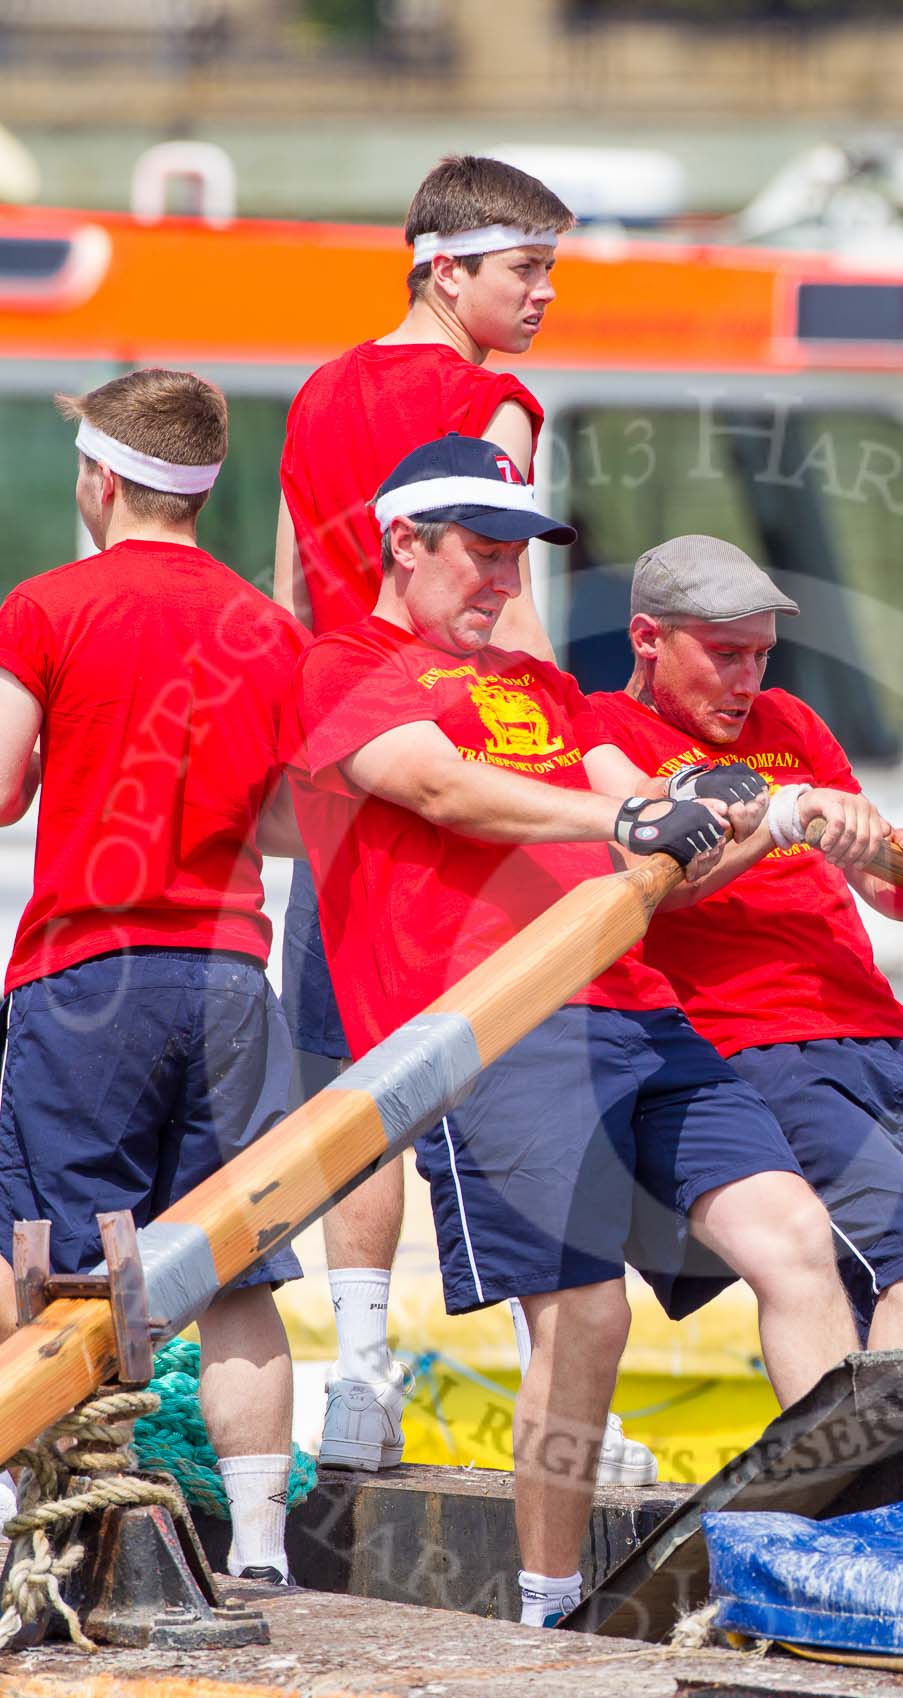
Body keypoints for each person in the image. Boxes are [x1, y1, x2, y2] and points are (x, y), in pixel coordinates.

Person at [284, 437, 862, 1625]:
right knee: (588, 1310)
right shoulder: (343, 663)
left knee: (800, 1242)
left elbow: (662, 841)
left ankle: (847, 1556)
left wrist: (789, 813)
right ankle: (549, 1603)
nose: (504, 580)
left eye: (517, 558)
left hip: (639, 1013)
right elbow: (445, 787)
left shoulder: (544, 690)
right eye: (482, 553)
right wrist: (633, 810)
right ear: (406, 542)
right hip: (493, 1022)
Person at [274, 154, 594, 1469]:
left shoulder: (316, 391)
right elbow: (502, 595)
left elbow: (293, 585)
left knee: (359, 1084)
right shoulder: (491, 401)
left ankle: (358, 1381)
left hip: (347, 753)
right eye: (527, 271)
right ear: (443, 266)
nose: (544, 298)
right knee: (514, 1078)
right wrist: (571, 772)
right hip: (460, 757)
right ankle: (563, 1402)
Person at [0, 369, 308, 1584]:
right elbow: (285, 820)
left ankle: (46, 1540)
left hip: (91, 973)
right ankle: (267, 1554)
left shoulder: (46, 605)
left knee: (56, 1264)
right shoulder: (266, 627)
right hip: (231, 977)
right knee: (232, 1266)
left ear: (101, 477)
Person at [581, 534, 903, 1352]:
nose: (748, 682)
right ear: (646, 638)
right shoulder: (602, 733)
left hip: (885, 1037)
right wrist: (781, 820)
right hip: (758, 1046)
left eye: (762, 656)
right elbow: (654, 885)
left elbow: (882, 889)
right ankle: (879, 1484)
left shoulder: (793, 721)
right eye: (726, 655)